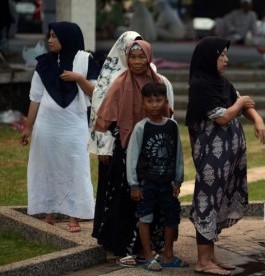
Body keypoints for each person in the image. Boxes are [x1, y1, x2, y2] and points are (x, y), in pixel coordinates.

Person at [186, 36, 265, 276]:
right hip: (212, 159)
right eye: (221, 55)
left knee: (219, 201)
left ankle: (210, 257)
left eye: (226, 54)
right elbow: (223, 116)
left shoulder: (222, 83)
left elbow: (245, 104)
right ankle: (203, 261)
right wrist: (241, 102)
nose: (226, 59)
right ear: (209, 58)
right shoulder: (200, 85)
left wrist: (257, 119)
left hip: (229, 160)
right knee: (207, 202)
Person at [91, 38, 175, 263]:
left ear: (149, 58)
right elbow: (107, 118)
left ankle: (146, 248)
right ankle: (122, 248)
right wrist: (125, 133)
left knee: (152, 198)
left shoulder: (156, 80)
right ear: (126, 58)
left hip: (153, 151)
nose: (137, 62)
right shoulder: (120, 82)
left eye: (142, 57)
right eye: (132, 57)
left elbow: (167, 113)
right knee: (126, 198)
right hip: (127, 150)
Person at [19, 21, 99, 232]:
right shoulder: (44, 64)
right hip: (47, 126)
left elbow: (96, 93)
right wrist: (28, 127)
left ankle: (75, 216)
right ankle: (49, 211)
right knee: (47, 167)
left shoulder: (85, 60)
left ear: (67, 38)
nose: (50, 40)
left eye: (55, 36)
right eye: (50, 35)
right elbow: (35, 98)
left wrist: (78, 78)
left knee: (75, 167)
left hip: (74, 126)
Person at [126, 82, 188, 271]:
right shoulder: (141, 128)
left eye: (158, 100)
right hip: (147, 184)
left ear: (165, 102)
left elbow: (178, 154)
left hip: (167, 184)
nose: (154, 105)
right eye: (149, 101)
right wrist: (134, 185)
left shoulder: (172, 126)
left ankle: (168, 255)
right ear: (143, 103)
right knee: (145, 217)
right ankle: (148, 255)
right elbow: (132, 157)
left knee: (171, 217)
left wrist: (178, 180)